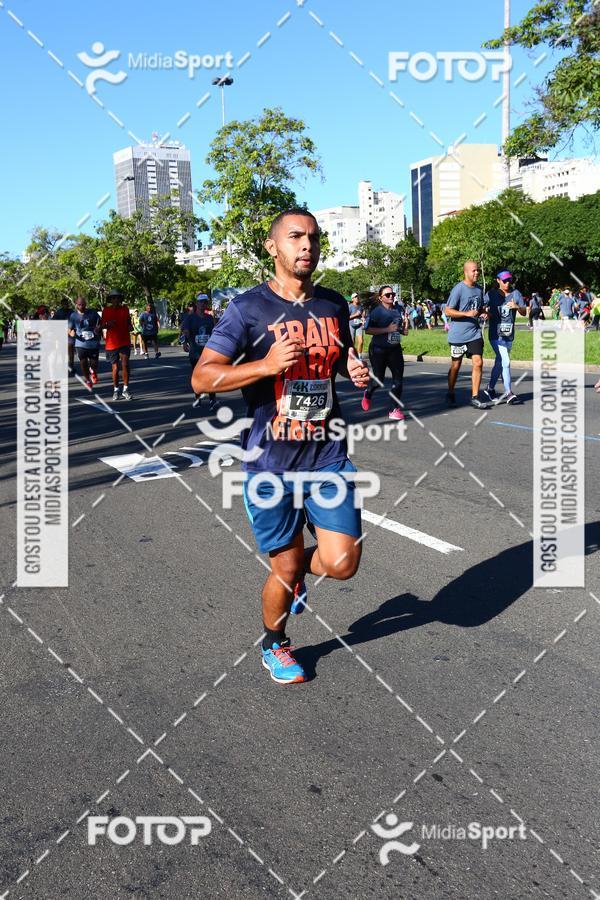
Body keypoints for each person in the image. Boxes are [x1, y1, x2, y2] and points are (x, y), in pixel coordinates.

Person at [192, 208, 369, 685]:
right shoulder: (247, 309)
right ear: (273, 247)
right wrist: (265, 365)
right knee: (286, 566)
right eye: (295, 237)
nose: (306, 245)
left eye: (313, 237)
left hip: (327, 454)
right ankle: (275, 642)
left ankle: (299, 576)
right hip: (271, 463)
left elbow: (338, 357)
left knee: (342, 561)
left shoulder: (332, 305)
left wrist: (352, 369)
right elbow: (203, 377)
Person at [445, 260, 490, 409]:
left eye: (477, 270)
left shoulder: (478, 289)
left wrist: (484, 313)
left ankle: (475, 396)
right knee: (456, 366)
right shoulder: (458, 289)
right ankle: (450, 391)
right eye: (474, 271)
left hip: (474, 333)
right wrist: (466, 313)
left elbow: (480, 308)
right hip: (458, 335)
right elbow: (448, 311)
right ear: (466, 272)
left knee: (478, 362)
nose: (476, 273)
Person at [361, 285, 407, 420]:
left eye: (392, 294)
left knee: (398, 380)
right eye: (388, 295)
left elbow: (397, 328)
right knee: (378, 381)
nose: (391, 296)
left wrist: (402, 330)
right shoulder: (376, 312)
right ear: (381, 298)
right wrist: (387, 329)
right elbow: (368, 330)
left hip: (395, 349)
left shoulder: (398, 309)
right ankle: (368, 393)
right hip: (378, 349)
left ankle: (394, 409)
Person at [482, 271, 528, 405]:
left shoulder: (516, 294)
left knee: (499, 361)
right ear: (498, 280)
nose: (507, 283)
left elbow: (524, 312)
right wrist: (485, 313)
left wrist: (517, 306)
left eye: (509, 280)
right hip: (495, 335)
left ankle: (490, 388)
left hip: (508, 334)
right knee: (506, 361)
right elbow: (482, 307)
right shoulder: (491, 294)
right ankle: (509, 393)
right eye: (504, 281)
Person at [180, 298, 218, 411]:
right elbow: (185, 331)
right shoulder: (190, 318)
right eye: (201, 302)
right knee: (197, 376)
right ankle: (197, 398)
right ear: (197, 304)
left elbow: (215, 331)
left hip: (208, 352)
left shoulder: (209, 318)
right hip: (195, 352)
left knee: (210, 375)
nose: (203, 304)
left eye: (205, 302)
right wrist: (184, 342)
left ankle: (212, 399)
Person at [101, 289, 133, 401]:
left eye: (117, 298)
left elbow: (129, 323)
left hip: (124, 340)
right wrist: (107, 324)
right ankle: (116, 390)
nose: (115, 300)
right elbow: (101, 326)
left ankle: (125, 389)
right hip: (111, 343)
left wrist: (130, 327)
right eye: (113, 298)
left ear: (120, 299)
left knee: (125, 365)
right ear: (110, 300)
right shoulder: (106, 310)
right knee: (115, 367)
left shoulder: (125, 309)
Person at [68, 297, 101, 388]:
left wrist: (98, 328)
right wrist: (71, 333)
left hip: (93, 342)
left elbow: (100, 323)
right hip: (80, 343)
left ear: (86, 304)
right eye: (79, 304)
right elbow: (69, 329)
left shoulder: (93, 313)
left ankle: (93, 371)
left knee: (94, 364)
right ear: (76, 305)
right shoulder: (73, 316)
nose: (81, 306)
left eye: (83, 304)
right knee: (83, 363)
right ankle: (87, 379)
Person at [52, 298, 74, 374]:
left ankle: (71, 364)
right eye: (64, 304)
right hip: (61, 334)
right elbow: (53, 322)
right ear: (62, 305)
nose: (66, 305)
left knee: (70, 348)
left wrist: (72, 329)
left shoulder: (72, 312)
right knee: (62, 351)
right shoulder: (58, 312)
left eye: (67, 304)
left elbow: (75, 321)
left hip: (69, 333)